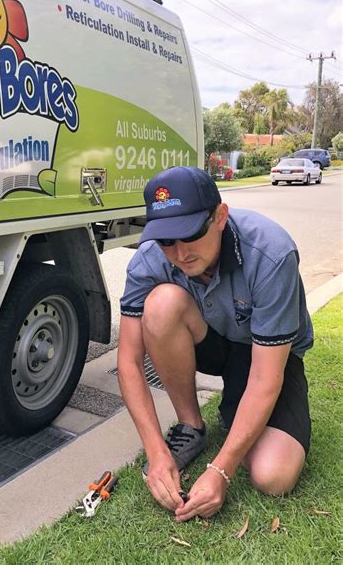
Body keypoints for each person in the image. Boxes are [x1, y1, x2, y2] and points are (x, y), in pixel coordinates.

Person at [117, 166, 313, 523]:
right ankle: (191, 427)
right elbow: (129, 362)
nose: (179, 252)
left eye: (190, 233)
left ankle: (242, 413)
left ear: (220, 216)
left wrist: (221, 471)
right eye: (166, 240)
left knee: (274, 475)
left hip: (266, 354)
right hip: (212, 340)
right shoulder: (149, 257)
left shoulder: (272, 252)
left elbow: (265, 379)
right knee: (160, 305)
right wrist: (156, 450)